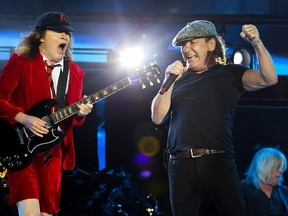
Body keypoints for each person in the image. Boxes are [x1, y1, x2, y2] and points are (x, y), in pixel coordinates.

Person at [151, 20, 278, 215]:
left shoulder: (230, 74)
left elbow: (269, 78)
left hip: (217, 160)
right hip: (180, 163)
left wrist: (257, 43)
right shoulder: (177, 80)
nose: (186, 48)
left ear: (211, 44)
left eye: (192, 42)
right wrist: (168, 81)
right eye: (183, 45)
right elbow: (157, 117)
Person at [0, 11, 93, 215]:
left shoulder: (75, 72)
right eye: (58, 31)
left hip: (54, 151)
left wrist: (80, 113)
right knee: (30, 210)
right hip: (20, 143)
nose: (64, 36)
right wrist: (23, 118)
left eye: (67, 33)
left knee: (47, 213)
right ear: (40, 36)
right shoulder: (22, 60)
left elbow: (72, 122)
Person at [241, 147, 288, 215]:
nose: (281, 171)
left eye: (282, 168)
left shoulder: (284, 192)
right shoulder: (242, 190)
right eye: (277, 167)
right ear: (263, 167)